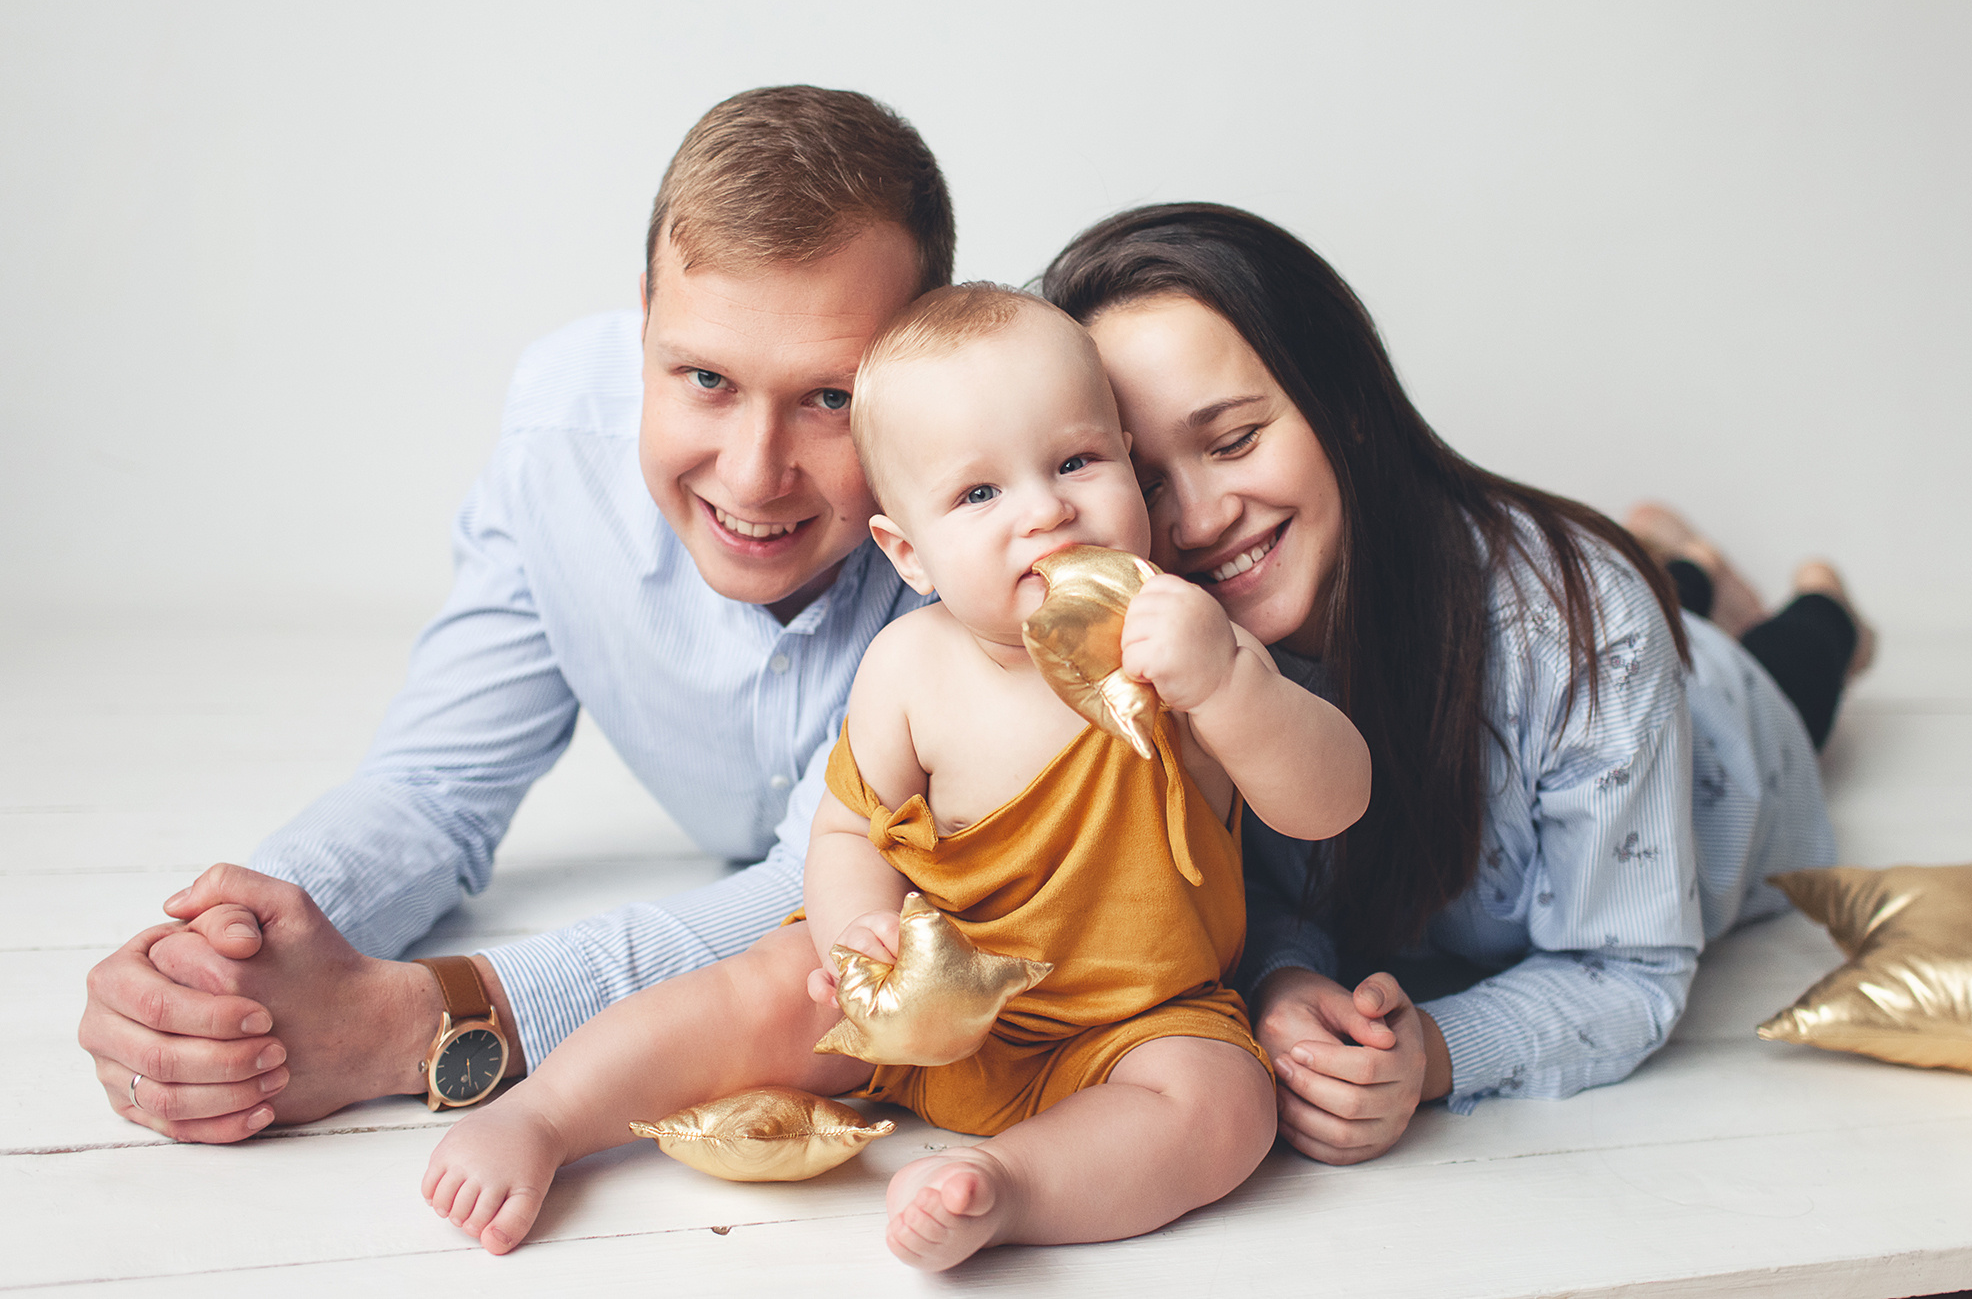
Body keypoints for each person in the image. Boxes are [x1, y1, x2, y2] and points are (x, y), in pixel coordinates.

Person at [419, 285, 1371, 1268]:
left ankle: (1013, 1187)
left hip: (1128, 1022)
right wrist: (856, 939)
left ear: (1128, 463)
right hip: (918, 991)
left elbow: (1328, 801)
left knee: (1223, 1102)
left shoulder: (1180, 643)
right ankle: (545, 1115)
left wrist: (1228, 687)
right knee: (761, 988)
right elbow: (843, 834)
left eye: (1075, 461)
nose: (1043, 510)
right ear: (908, 552)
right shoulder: (910, 668)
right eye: (978, 494)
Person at [77, 85, 952, 1143]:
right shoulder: (557, 443)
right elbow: (435, 789)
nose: (754, 474)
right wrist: (228, 952)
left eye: (828, 399)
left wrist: (421, 1017)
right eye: (706, 378)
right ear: (643, 322)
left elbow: (811, 905)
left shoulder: (977, 515)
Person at [1039, 202, 1870, 1164]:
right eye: (1143, 481)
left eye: (1233, 440)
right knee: (1662, 595)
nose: (1200, 516)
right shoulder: (1157, 656)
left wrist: (1435, 1051)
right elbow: (1260, 889)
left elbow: (1627, 968)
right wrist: (1281, 978)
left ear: (1345, 398)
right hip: (1573, 618)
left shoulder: (1587, 632)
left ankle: (1821, 607)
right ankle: (1681, 558)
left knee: (1785, 664)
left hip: (1722, 725)